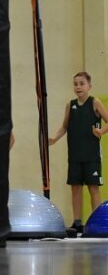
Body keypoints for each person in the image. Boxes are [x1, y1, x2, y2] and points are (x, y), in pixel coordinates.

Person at [49, 71, 108, 233]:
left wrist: (101, 132)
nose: (78, 87)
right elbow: (65, 126)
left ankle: (98, 221)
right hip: (75, 154)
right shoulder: (70, 105)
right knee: (75, 187)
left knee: (93, 187)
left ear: (89, 86)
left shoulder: (94, 102)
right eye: (75, 84)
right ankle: (77, 222)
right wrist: (54, 138)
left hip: (91, 155)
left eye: (82, 83)